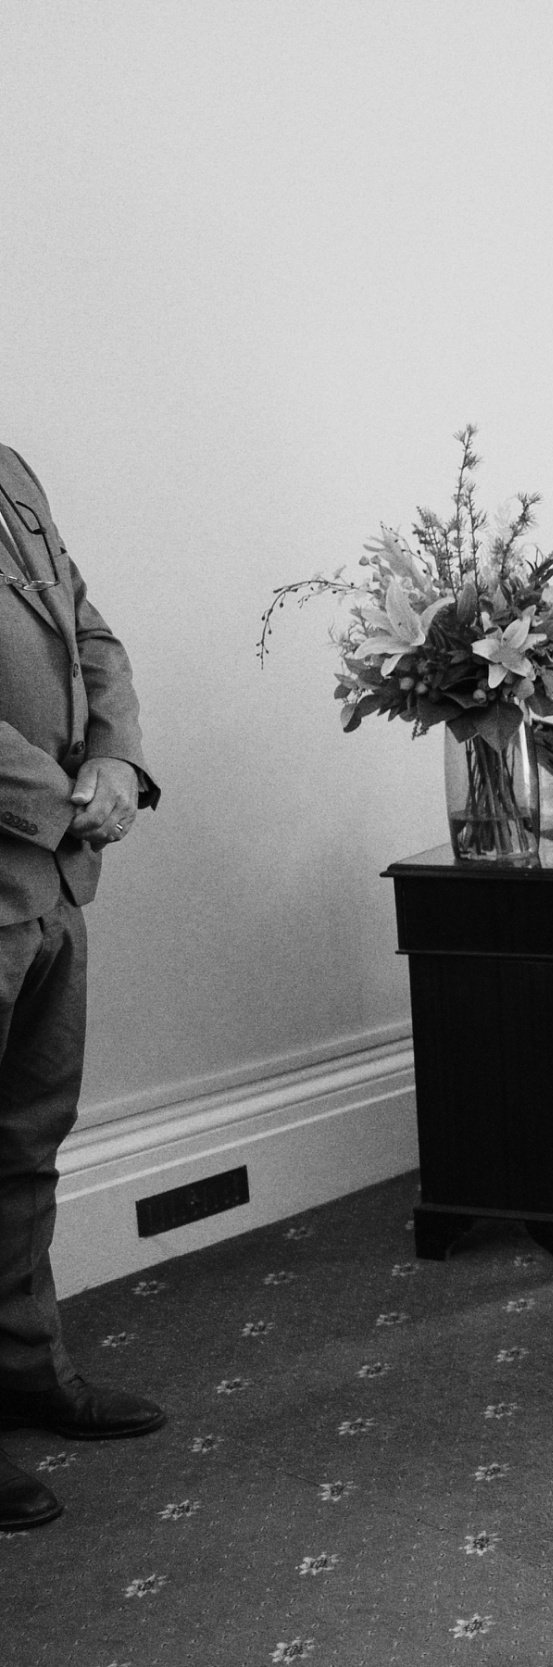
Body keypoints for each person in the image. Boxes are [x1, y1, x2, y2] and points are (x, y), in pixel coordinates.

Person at [0, 442, 166, 1531]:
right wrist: (62, 794)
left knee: (26, 1139)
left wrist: (116, 755)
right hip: (29, 828)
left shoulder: (12, 465)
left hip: (48, 876)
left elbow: (86, 627)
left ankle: (22, 1365)